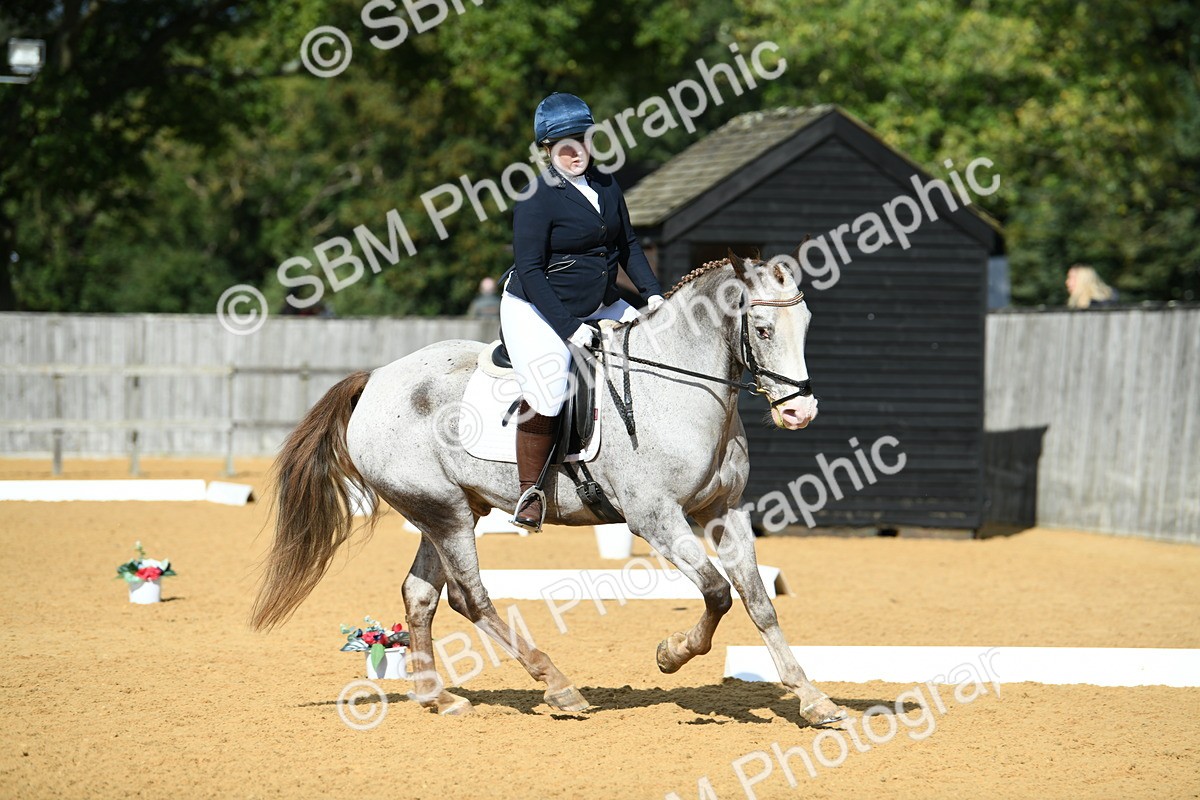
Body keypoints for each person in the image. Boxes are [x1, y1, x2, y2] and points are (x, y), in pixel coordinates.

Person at [500, 92, 665, 531]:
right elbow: (531, 271)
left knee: (658, 347)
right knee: (551, 387)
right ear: (547, 150)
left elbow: (628, 244)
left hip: (598, 299)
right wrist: (569, 328)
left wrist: (652, 295)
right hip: (537, 307)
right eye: (564, 147)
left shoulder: (606, 185)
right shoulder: (536, 197)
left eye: (582, 141)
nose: (575, 153)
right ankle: (530, 492)